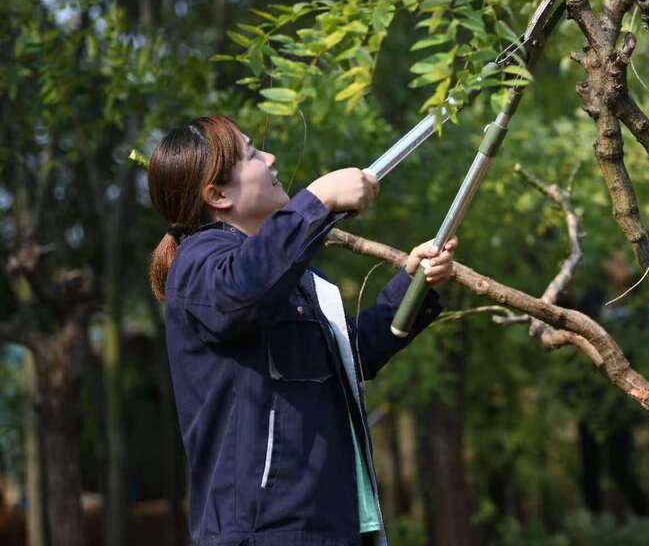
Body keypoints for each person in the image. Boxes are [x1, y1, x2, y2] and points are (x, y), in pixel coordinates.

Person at [146, 115, 456, 546]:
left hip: (332, 525)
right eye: (254, 154)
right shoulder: (199, 265)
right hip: (265, 533)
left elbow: (351, 358)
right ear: (216, 195)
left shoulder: (290, 280)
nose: (272, 159)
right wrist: (319, 199)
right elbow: (243, 292)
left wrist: (412, 285)